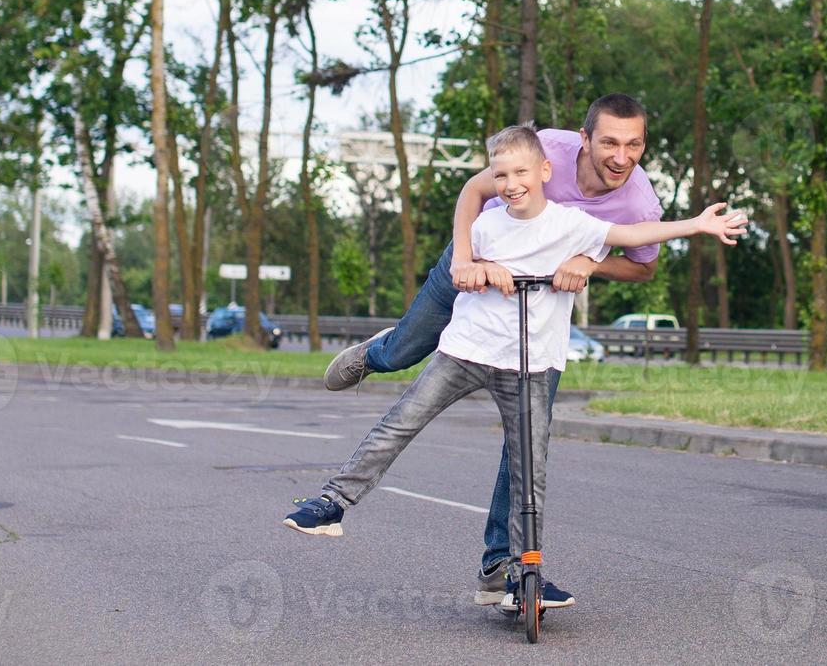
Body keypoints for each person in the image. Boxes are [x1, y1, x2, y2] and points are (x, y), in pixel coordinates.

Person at [284, 125, 746, 612]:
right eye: (500, 174)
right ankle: (332, 502)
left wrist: (696, 224)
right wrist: (474, 263)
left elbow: (634, 238)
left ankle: (523, 570)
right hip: (465, 351)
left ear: (546, 172)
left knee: (529, 469)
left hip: (529, 363)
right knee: (400, 422)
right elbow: (467, 255)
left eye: (520, 172)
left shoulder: (573, 225)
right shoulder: (487, 224)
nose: (509, 183)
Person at [322, 93, 663, 607]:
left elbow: (644, 266)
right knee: (409, 349)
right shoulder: (544, 147)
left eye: (633, 144)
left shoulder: (638, 202)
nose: (621, 156)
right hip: (477, 261)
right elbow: (472, 191)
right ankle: (375, 354)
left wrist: (591, 264)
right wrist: (464, 258)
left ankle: (502, 566)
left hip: (532, 322)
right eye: (609, 142)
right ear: (583, 138)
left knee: (523, 442)